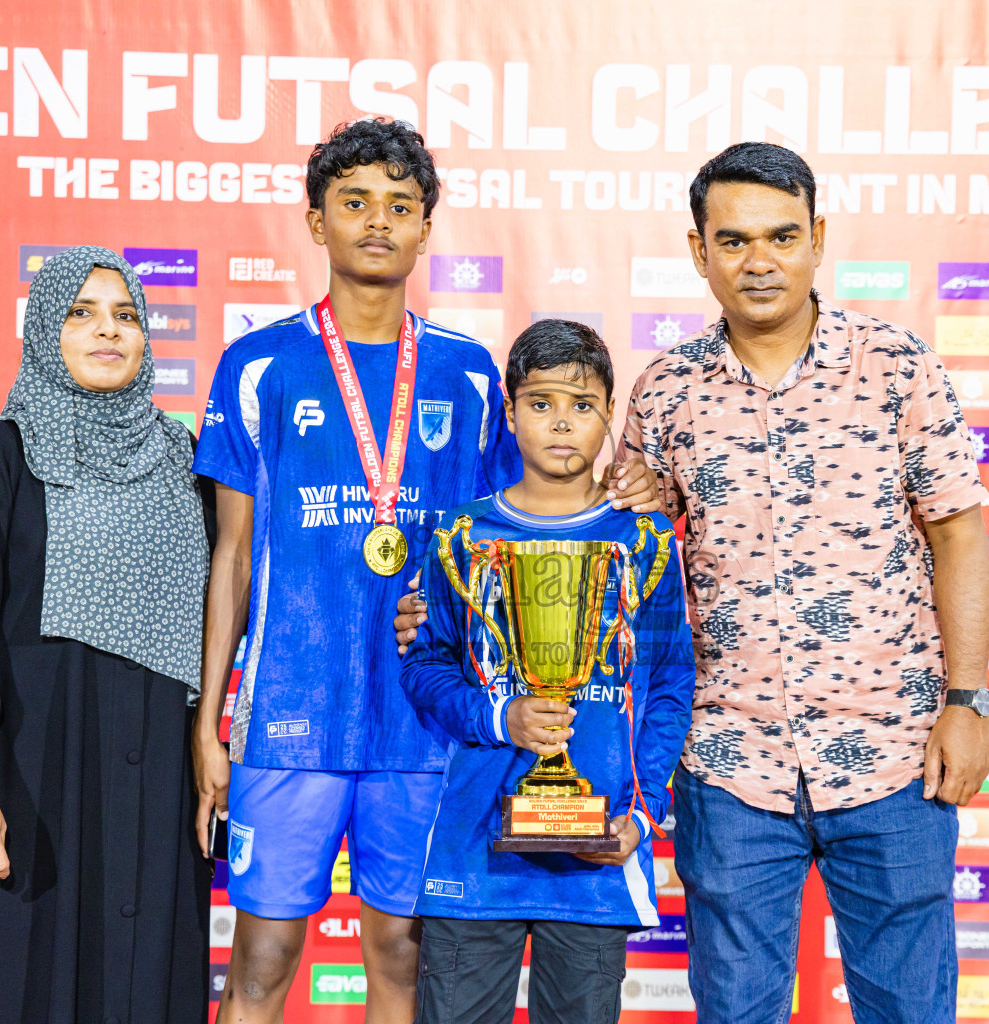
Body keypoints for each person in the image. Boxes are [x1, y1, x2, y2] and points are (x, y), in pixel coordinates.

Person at [190, 119, 660, 1024]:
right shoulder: (258, 365)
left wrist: (620, 486)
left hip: (424, 721)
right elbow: (234, 557)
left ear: (425, 229)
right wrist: (208, 722)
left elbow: (524, 521)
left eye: (401, 206)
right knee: (261, 956)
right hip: (289, 711)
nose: (379, 221)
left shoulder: (470, 373)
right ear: (316, 221)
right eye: (355, 202)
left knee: (403, 951)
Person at [615, 142, 989, 1024]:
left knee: (907, 1010)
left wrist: (967, 702)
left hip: (896, 756)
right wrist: (623, 501)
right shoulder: (664, 392)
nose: (759, 261)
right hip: (728, 760)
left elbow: (959, 534)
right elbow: (632, 558)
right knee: (737, 1011)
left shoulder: (896, 367)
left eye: (782, 236)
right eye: (735, 239)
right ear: (697, 249)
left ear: (818, 239)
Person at [0, 246, 214, 1024]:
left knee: (141, 981)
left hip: (156, 789)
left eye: (126, 316)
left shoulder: (185, 462)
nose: (106, 332)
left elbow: (224, 613)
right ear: (46, 331)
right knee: (19, 980)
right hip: (29, 780)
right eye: (80, 313)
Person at [401, 319, 694, 1024]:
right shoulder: (460, 536)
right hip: (474, 856)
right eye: (540, 404)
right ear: (509, 414)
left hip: (593, 862)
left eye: (581, 405)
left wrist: (643, 813)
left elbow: (668, 688)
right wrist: (500, 718)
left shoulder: (645, 539)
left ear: (608, 418)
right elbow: (427, 667)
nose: (561, 423)